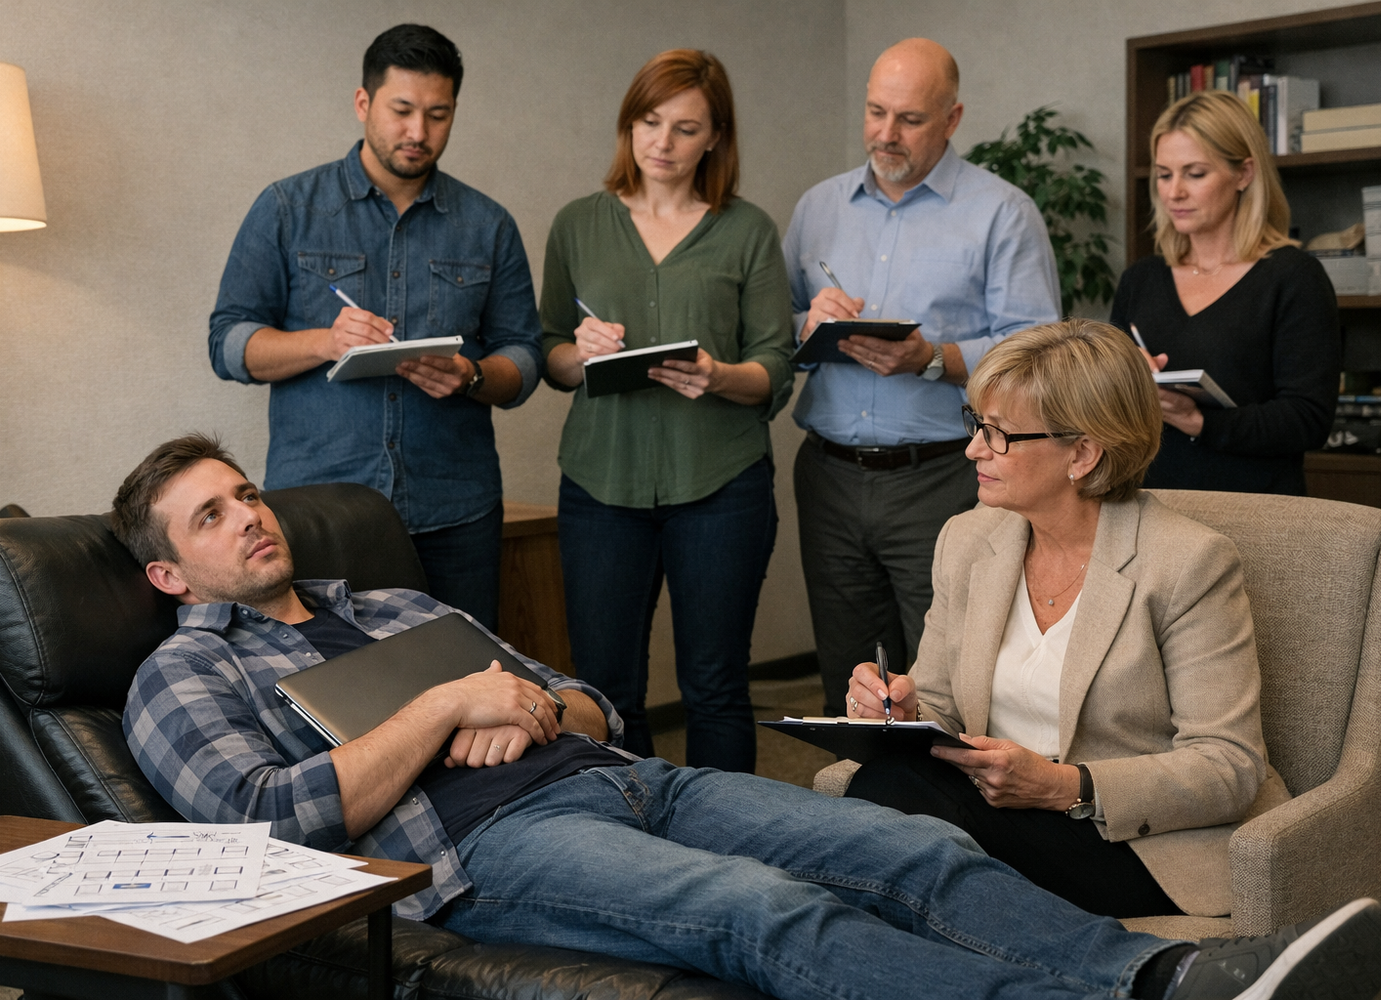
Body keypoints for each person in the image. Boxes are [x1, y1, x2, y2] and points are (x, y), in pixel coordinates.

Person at [113, 433, 1381, 1000]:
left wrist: (534, 701)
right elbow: (272, 825)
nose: (252, 517)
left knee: (913, 846)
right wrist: (454, 703)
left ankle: (1166, 973)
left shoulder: (389, 599)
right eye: (212, 518)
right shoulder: (184, 677)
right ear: (170, 571)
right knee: (763, 913)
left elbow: (592, 696)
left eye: (246, 493)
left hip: (620, 774)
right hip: (478, 855)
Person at [843, 319, 1292, 921]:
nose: (974, 448)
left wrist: (1063, 785)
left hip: (1128, 841)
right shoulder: (968, 539)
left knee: (891, 807)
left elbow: (1229, 765)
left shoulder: (1187, 563)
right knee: (886, 788)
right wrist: (897, 709)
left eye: (999, 435)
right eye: (976, 425)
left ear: (1082, 453)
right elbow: (941, 706)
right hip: (996, 813)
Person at [207, 24, 544, 630]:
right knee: (340, 690)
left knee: (468, 677)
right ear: (364, 104)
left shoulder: (488, 224)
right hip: (320, 511)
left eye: (438, 115)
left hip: (455, 510)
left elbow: (525, 356)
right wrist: (325, 341)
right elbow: (229, 344)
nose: (419, 132)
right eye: (402, 110)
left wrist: (472, 375)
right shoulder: (288, 208)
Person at [782, 38, 1062, 716]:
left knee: (948, 680)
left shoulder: (1003, 213)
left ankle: (947, 819)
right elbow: (772, 328)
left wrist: (932, 358)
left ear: (952, 118)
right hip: (831, 476)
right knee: (849, 679)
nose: (885, 133)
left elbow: (1035, 354)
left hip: (943, 477)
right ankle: (857, 815)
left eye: (908, 119)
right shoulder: (818, 208)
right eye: (875, 112)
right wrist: (807, 321)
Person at [538, 50, 794, 770]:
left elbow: (776, 367)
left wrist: (716, 374)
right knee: (606, 690)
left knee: (714, 685)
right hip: (600, 486)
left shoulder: (746, 231)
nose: (663, 143)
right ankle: (638, 847)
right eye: (649, 122)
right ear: (629, 124)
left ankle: (724, 843)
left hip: (720, 485)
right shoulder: (577, 225)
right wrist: (578, 353)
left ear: (715, 137)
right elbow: (549, 352)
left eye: (686, 128)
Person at [1110, 89, 1339, 495]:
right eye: (1164, 175)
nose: (1174, 192)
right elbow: (1104, 413)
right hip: (1150, 504)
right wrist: (1122, 379)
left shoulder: (1293, 277)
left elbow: (1308, 419)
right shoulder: (1141, 279)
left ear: (1244, 174)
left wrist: (1199, 422)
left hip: (1255, 510)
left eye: (1194, 174)